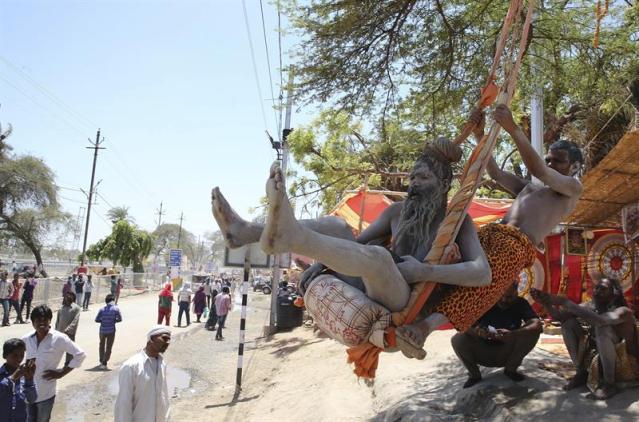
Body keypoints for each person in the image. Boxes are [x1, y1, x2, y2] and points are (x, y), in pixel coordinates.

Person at [212, 137, 492, 356]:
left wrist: (423, 271)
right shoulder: (397, 212)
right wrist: (322, 262)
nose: (415, 185)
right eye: (412, 178)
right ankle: (245, 232)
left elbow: (482, 273)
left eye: (424, 179)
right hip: (366, 282)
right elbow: (357, 246)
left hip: (403, 303)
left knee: (380, 258)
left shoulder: (457, 223)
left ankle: (291, 237)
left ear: (444, 183)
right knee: (337, 227)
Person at [394, 105, 584, 352]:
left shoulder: (572, 189)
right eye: (548, 158)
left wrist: (513, 129)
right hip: (493, 233)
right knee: (450, 262)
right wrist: (479, 134)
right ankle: (413, 307)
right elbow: (493, 173)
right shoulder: (530, 188)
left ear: (575, 167)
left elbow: (539, 170)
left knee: (483, 284)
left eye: (558, 161)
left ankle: (424, 328)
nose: (550, 163)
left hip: (516, 247)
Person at [532, 278, 639, 400]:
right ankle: (581, 372)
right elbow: (559, 317)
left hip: (623, 365)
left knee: (602, 328)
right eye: (596, 288)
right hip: (599, 358)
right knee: (568, 324)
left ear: (614, 294)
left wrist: (565, 301)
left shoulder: (623, 311)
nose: (597, 291)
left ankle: (610, 384)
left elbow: (601, 321)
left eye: (603, 289)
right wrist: (546, 302)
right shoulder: (591, 306)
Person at [451, 282, 542, 388]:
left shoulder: (521, 303)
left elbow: (537, 324)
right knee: (458, 339)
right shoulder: (484, 301)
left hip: (508, 350)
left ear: (516, 293)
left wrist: (514, 334)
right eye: (501, 295)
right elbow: (463, 324)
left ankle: (510, 370)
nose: (504, 300)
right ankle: (474, 375)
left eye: (509, 297)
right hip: (482, 350)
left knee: (532, 333)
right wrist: (477, 332)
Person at [22, 304, 85, 422]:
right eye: (38, 320)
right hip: (27, 392)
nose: (42, 323)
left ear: (50, 320)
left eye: (45, 320)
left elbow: (80, 354)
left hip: (46, 393)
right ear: (32, 322)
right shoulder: (26, 338)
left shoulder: (59, 338)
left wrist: (62, 372)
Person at [114, 326, 171, 422]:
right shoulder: (131, 366)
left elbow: (164, 397)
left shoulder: (162, 364)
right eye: (164, 338)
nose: (168, 342)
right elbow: (124, 403)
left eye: (169, 339)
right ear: (151, 339)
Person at [1, 338, 37, 422]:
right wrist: (13, 378)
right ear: (5, 355)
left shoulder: (24, 375)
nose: (19, 359)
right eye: (14, 355)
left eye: (22, 355)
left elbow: (32, 399)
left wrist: (29, 379)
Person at [95, 294, 122, 370]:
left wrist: (103, 321)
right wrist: (113, 321)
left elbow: (97, 319)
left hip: (102, 330)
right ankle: (104, 362)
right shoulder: (116, 309)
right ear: (112, 301)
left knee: (101, 345)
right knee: (109, 347)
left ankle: (101, 360)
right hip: (111, 330)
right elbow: (120, 319)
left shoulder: (101, 309)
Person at [54, 292, 81, 366]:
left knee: (69, 350)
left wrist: (68, 329)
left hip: (69, 333)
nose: (68, 297)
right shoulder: (61, 308)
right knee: (57, 349)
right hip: (60, 332)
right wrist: (55, 331)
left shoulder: (76, 308)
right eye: (66, 295)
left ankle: (68, 364)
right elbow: (58, 321)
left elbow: (75, 321)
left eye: (70, 295)